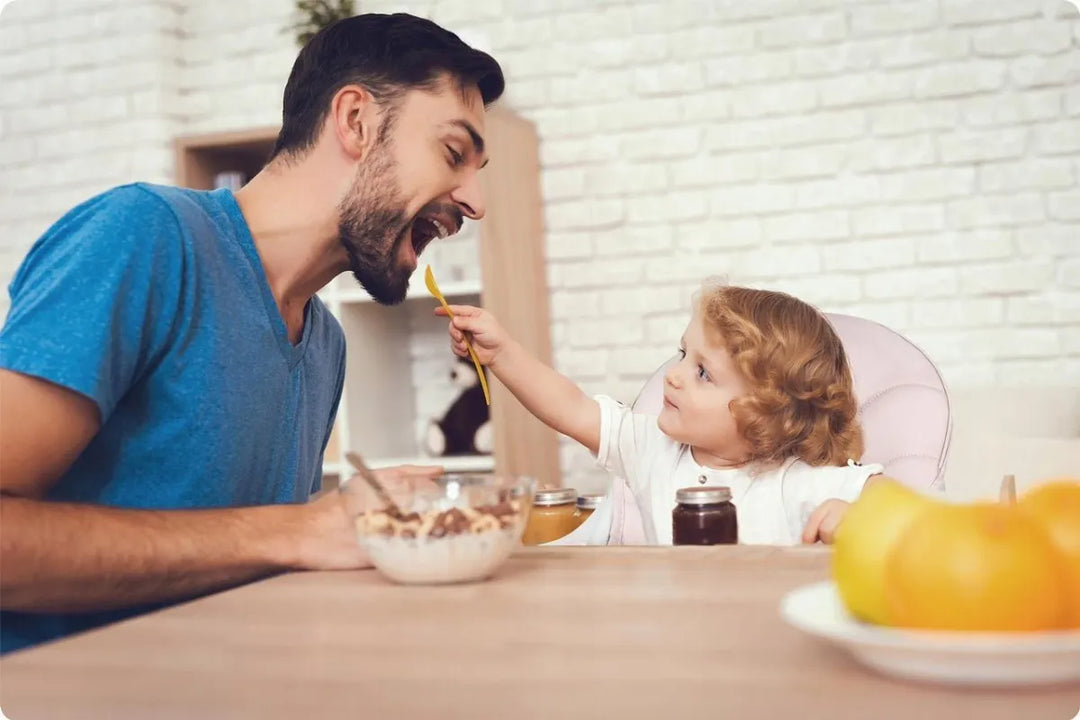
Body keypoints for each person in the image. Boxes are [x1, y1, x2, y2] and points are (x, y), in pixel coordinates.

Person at [0, 13, 504, 653]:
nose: (476, 202)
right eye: (453, 154)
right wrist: (295, 533)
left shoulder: (325, 344)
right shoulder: (143, 238)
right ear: (355, 121)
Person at [439, 279, 887, 546]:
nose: (673, 376)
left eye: (703, 373)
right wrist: (502, 355)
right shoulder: (652, 448)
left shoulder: (796, 483)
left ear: (767, 412)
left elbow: (896, 501)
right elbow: (570, 407)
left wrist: (857, 518)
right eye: (682, 355)